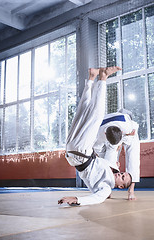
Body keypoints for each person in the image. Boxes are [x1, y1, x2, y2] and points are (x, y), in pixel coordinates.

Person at [58, 66, 132, 206]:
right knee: (82, 110)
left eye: (122, 177)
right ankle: (91, 78)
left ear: (120, 186)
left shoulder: (105, 187)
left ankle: (103, 77)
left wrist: (77, 199)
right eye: (123, 173)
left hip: (79, 152)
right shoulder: (111, 168)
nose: (120, 174)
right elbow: (109, 152)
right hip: (76, 150)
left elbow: (97, 198)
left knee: (96, 116)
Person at [93, 109, 140, 200]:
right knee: (106, 159)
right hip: (107, 131)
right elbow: (98, 151)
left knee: (133, 154)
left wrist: (126, 137)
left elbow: (133, 132)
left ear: (121, 133)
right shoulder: (98, 134)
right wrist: (110, 165)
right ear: (105, 134)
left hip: (128, 133)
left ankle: (131, 190)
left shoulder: (128, 127)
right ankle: (106, 188)